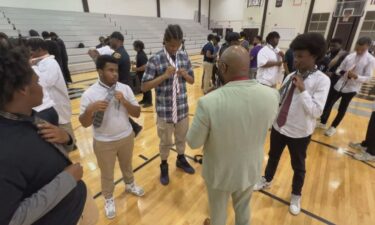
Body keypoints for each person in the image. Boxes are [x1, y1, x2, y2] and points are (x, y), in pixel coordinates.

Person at [187, 46, 279, 225]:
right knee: (244, 208)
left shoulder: (209, 102)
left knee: (218, 212)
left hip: (219, 172)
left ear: (223, 67)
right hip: (250, 168)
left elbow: (193, 141)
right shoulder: (272, 95)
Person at [0, 43, 90, 225]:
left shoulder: (27, 117)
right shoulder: (5, 152)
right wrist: (67, 179)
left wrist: (66, 138)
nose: (41, 87)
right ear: (24, 89)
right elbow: (11, 220)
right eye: (38, 82)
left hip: (76, 207)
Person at [254, 33, 330, 215]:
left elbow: (317, 112)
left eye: (300, 56)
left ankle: (296, 194)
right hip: (279, 127)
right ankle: (267, 178)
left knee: (298, 166)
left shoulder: (322, 80)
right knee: (273, 156)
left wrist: (303, 90)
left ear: (314, 55)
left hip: (300, 132)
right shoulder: (290, 77)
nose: (295, 60)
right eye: (295, 55)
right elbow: (279, 100)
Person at [79, 55, 144, 219]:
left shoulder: (125, 88)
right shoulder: (89, 94)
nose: (115, 74)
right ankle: (108, 198)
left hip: (126, 136)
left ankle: (130, 185)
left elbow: (137, 112)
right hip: (103, 141)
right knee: (107, 173)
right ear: (100, 71)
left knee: (127, 165)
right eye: (110, 70)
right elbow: (85, 123)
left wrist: (125, 102)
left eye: (116, 70)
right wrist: (90, 110)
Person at [141, 24, 195, 185]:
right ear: (164, 41)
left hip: (182, 109)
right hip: (165, 112)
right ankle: (164, 164)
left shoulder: (183, 57)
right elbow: (144, 86)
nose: (174, 48)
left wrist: (185, 75)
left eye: (178, 45)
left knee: (181, 138)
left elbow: (192, 81)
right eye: (171, 45)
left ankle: (180, 158)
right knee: (165, 142)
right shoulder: (155, 59)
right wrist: (164, 76)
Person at [318, 37, 375, 136]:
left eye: (362, 50)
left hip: (352, 88)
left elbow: (368, 78)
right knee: (329, 104)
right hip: (339, 84)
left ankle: (333, 127)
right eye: (357, 49)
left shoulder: (370, 60)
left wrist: (357, 76)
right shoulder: (350, 56)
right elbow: (339, 69)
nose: (359, 51)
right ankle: (323, 122)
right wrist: (343, 72)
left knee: (342, 109)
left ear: (368, 48)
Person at [27, 38, 75, 152]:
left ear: (39, 49)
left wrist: (31, 67)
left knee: (66, 136)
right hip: (51, 108)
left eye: (30, 51)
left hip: (59, 107)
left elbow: (45, 82)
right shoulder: (41, 63)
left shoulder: (50, 62)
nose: (30, 54)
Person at [109, 31, 143, 136]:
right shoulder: (121, 52)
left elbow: (109, 68)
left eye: (111, 39)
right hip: (123, 83)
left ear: (118, 40)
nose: (110, 41)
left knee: (118, 110)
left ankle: (134, 128)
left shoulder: (117, 54)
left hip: (120, 85)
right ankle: (135, 127)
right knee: (118, 110)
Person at [132, 40, 152, 107]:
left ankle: (149, 102)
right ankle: (145, 99)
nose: (133, 47)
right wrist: (135, 63)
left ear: (138, 47)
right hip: (141, 74)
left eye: (134, 46)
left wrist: (136, 69)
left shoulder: (141, 55)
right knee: (143, 87)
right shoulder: (139, 54)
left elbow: (145, 66)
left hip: (144, 74)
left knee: (147, 87)